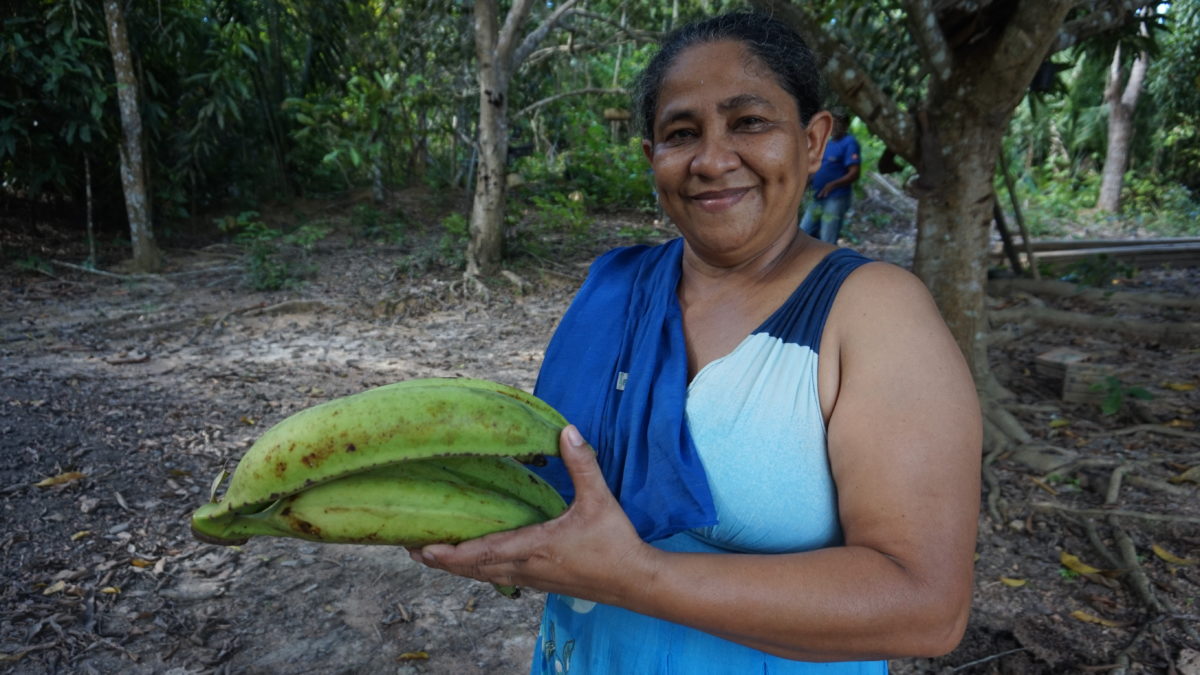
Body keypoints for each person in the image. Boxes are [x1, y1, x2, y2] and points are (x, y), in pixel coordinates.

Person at [411, 12, 981, 673]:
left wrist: (636, 575)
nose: (712, 159)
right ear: (652, 156)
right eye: (682, 134)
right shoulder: (615, 289)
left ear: (814, 140)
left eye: (750, 123)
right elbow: (565, 488)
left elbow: (927, 605)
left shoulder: (873, 312)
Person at [799, 111, 861, 244]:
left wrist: (832, 185)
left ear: (845, 125)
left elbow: (854, 173)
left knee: (828, 237)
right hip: (818, 196)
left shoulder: (849, 143)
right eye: (833, 123)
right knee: (803, 231)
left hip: (835, 197)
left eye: (839, 123)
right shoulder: (828, 143)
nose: (835, 126)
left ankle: (827, 262)